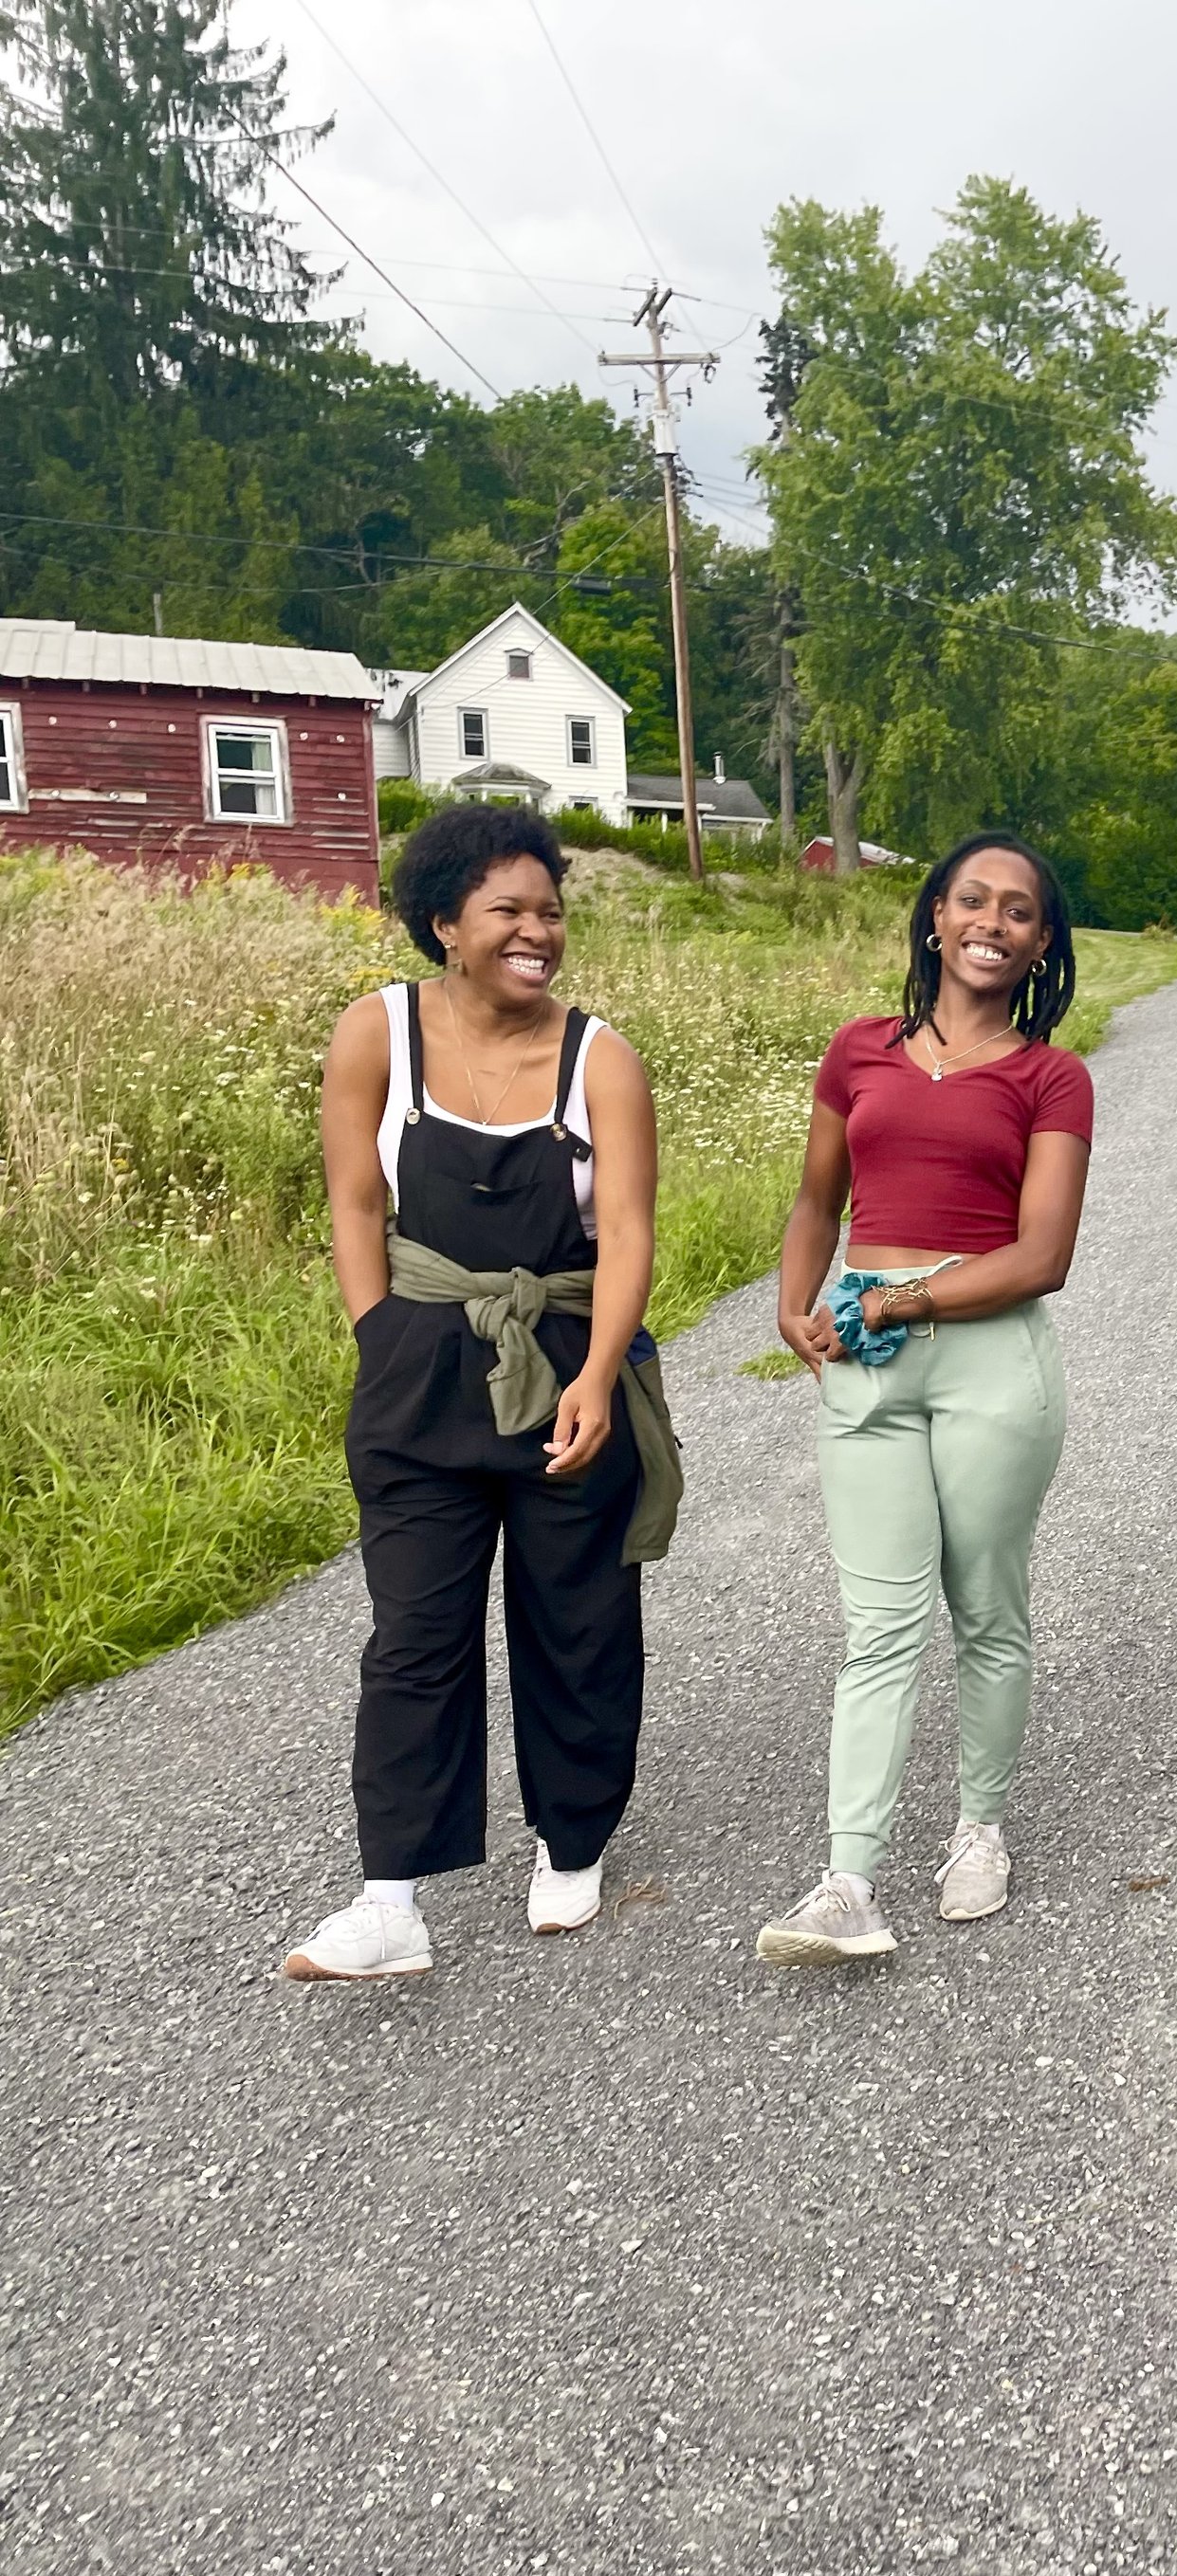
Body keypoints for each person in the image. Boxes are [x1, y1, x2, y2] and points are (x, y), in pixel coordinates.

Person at [285, 805, 675, 1982]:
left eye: (550, 912)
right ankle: (390, 1901)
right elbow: (356, 1201)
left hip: (568, 1361)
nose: (536, 932)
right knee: (415, 1634)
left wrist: (598, 1374)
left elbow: (627, 1232)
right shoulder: (376, 1034)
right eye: (507, 909)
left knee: (577, 1619)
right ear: (444, 922)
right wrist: (381, 1334)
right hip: (421, 1369)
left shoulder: (602, 1060)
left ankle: (572, 1842)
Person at [756, 834, 1092, 1965]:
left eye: (1019, 911)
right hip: (865, 1360)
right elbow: (818, 1199)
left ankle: (979, 1829)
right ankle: (847, 1882)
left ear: (1041, 943)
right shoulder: (858, 1050)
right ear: (936, 916)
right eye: (972, 901)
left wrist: (899, 1303)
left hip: (990, 1363)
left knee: (985, 1608)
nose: (992, 923)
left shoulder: (1052, 1077)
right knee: (880, 1625)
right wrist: (794, 1302)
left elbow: (1043, 1256)